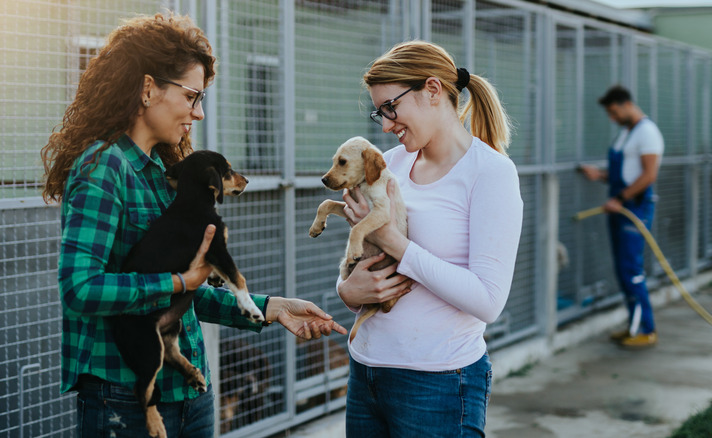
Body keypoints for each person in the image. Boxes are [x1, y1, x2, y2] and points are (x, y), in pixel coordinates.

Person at [40, 13, 346, 438]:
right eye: (192, 96)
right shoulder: (103, 168)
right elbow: (80, 290)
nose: (198, 113)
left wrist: (269, 308)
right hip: (126, 402)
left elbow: (181, 289)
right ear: (148, 88)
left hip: (190, 395)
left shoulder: (166, 171)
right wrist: (180, 282)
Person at [336, 40, 523, 437]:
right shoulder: (390, 166)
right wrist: (347, 291)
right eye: (379, 113)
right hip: (366, 371)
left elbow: (488, 301)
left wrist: (396, 244)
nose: (386, 124)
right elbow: (362, 257)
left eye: (391, 108)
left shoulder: (490, 173)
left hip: (437, 384)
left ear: (433, 90)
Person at [579, 85, 664, 348]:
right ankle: (634, 325)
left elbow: (648, 176)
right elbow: (625, 173)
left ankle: (646, 329)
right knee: (623, 269)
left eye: (614, 112)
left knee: (632, 270)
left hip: (633, 209)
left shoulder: (647, 133)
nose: (612, 118)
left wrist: (620, 199)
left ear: (626, 104)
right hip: (620, 206)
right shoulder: (626, 134)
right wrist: (600, 175)